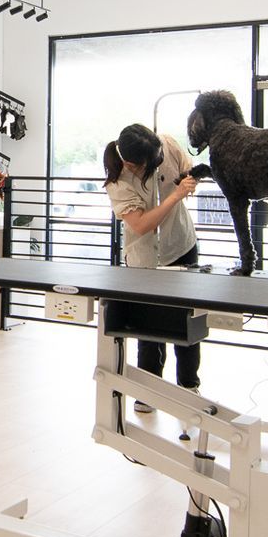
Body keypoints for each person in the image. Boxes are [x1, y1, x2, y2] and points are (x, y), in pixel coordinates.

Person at [103, 123, 201, 408]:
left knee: (188, 323)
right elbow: (142, 225)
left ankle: (189, 387)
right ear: (131, 163)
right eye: (149, 165)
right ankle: (149, 391)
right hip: (144, 259)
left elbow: (189, 169)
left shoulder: (166, 144)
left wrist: (190, 182)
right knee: (148, 329)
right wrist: (176, 195)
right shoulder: (118, 182)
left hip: (181, 245)